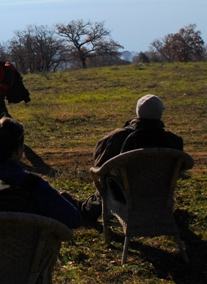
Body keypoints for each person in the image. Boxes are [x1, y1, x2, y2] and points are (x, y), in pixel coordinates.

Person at [76, 94, 184, 225]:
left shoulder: (116, 138)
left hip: (123, 198)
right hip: (159, 196)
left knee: (107, 184)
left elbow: (99, 165)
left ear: (137, 112)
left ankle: (85, 211)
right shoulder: (174, 141)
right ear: (160, 113)